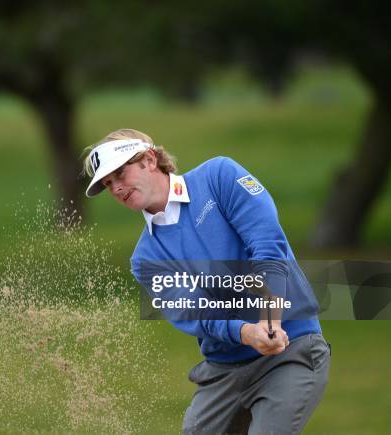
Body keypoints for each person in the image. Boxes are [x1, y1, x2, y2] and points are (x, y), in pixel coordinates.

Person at [83, 128, 330, 434]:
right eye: (108, 184)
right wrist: (247, 332)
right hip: (223, 372)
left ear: (149, 160)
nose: (117, 187)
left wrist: (270, 320)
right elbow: (195, 311)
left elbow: (267, 245)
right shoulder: (145, 259)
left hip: (289, 351)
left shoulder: (218, 177)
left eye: (120, 173)